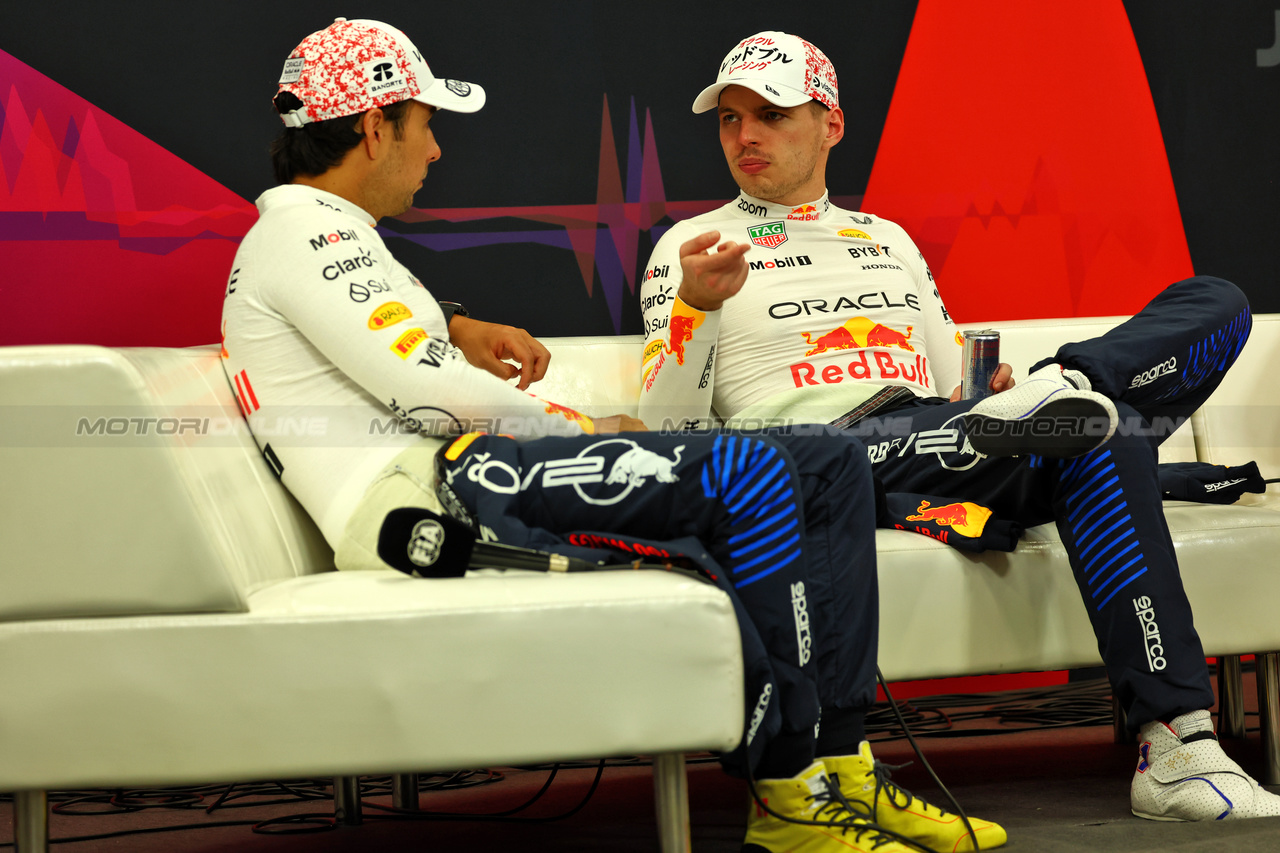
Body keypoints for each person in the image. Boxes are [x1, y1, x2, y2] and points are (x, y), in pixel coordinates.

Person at [219, 18, 1005, 853]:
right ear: (376, 128)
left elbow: (389, 346)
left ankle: (845, 761)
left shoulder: (321, 235)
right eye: (427, 125)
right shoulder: (307, 234)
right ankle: (791, 801)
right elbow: (427, 388)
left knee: (831, 459)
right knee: (754, 474)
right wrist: (584, 425)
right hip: (434, 500)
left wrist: (453, 320)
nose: (436, 151)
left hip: (466, 469)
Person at [637, 29, 1280, 824]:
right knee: (1077, 433)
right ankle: (1062, 410)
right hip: (824, 458)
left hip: (945, 433)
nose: (745, 136)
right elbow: (665, 427)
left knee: (1206, 311)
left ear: (831, 123)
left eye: (770, 114)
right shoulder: (690, 247)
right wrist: (697, 308)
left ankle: (1175, 748)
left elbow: (950, 385)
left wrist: (995, 396)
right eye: (730, 119)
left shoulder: (888, 240)